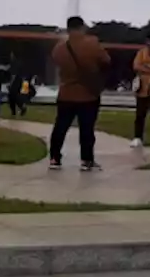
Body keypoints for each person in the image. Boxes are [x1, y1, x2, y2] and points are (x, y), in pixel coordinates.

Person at [48, 16, 111, 172]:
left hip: (66, 94)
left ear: (68, 29)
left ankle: (55, 158)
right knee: (87, 129)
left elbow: (57, 62)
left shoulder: (59, 48)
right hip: (88, 94)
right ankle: (86, 160)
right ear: (82, 27)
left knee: (60, 128)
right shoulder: (92, 43)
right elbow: (106, 61)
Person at [130, 33, 150, 148]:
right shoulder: (142, 52)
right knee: (140, 115)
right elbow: (136, 66)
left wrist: (145, 67)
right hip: (143, 89)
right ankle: (138, 137)